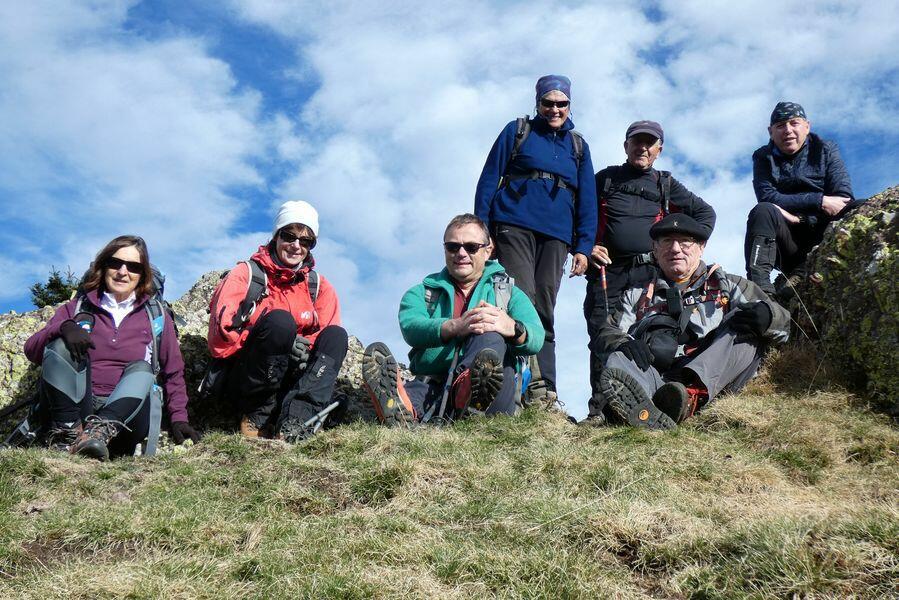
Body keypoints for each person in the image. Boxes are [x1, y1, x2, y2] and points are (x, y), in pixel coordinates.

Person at [593, 214, 789, 429]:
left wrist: (769, 317)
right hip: (656, 377)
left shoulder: (731, 285)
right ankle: (647, 408)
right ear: (655, 249)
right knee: (620, 355)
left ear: (701, 247)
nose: (675, 249)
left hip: (715, 378)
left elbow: (786, 324)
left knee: (745, 322)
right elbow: (606, 333)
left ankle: (688, 399)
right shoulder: (636, 294)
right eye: (667, 241)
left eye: (685, 242)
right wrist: (623, 344)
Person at [474, 74, 597, 407]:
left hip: (557, 235)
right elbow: (488, 180)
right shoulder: (517, 131)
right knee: (521, 298)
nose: (555, 110)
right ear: (538, 102)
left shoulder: (578, 146)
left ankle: (544, 389)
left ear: (569, 104)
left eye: (561, 104)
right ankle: (510, 383)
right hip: (512, 224)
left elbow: (587, 200)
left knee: (544, 306)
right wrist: (482, 233)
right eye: (548, 103)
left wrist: (584, 248)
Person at [585, 120, 716, 423]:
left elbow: (705, 213)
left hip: (650, 274)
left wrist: (689, 249)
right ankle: (600, 411)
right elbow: (577, 214)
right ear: (626, 146)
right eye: (637, 142)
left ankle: (649, 400)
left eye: (649, 143)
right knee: (603, 333)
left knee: (648, 332)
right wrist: (587, 246)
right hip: (608, 270)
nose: (642, 148)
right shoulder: (605, 179)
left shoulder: (665, 183)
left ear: (659, 149)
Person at [23, 235, 199, 460]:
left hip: (127, 420)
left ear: (142, 274)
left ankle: (97, 434)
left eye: (133, 267)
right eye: (116, 263)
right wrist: (64, 327)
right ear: (104, 266)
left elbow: (173, 371)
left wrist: (179, 419)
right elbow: (31, 350)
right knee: (59, 344)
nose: (123, 272)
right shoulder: (77, 308)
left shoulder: (156, 316)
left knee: (142, 369)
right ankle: (68, 436)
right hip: (79, 408)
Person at [361, 214, 545, 425]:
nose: (461, 253)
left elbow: (537, 336)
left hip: (496, 395)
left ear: (488, 250)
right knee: (418, 394)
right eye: (452, 247)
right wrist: (454, 326)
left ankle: (466, 388)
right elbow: (411, 327)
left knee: (488, 330)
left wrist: (512, 327)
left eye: (471, 247)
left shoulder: (508, 293)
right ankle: (402, 406)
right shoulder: (422, 292)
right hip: (433, 385)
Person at [207, 200, 347, 442]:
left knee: (337, 336)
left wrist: (303, 349)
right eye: (289, 236)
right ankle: (256, 416)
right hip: (248, 382)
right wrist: (283, 342)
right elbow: (220, 340)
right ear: (276, 236)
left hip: (291, 382)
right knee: (280, 323)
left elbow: (325, 332)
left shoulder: (319, 287)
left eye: (306, 241)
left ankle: (296, 420)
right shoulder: (246, 275)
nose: (296, 246)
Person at [745, 101, 857, 297]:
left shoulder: (826, 149)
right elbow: (767, 196)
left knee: (858, 207)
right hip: (788, 243)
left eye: (794, 123)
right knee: (763, 211)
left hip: (824, 233)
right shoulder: (762, 157)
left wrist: (802, 218)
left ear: (807, 126)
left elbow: (842, 198)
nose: (788, 130)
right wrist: (820, 201)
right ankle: (760, 292)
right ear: (770, 131)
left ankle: (808, 268)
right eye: (780, 125)